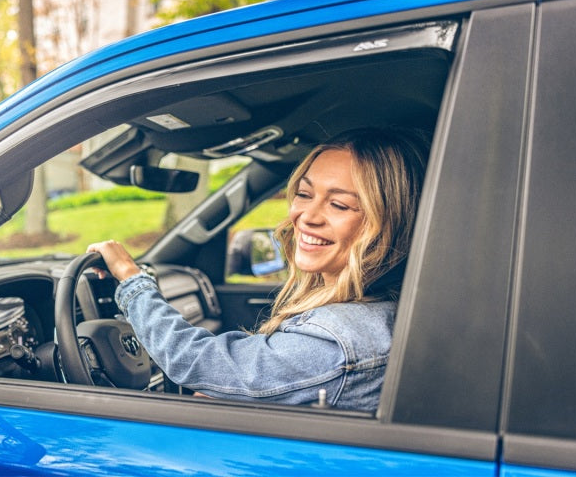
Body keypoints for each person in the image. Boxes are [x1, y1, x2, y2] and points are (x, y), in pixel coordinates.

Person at [87, 127, 428, 411]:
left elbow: (194, 361)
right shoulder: (389, 311)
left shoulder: (337, 340)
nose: (307, 216)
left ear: (389, 222)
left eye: (339, 204)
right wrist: (229, 392)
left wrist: (132, 280)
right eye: (304, 194)